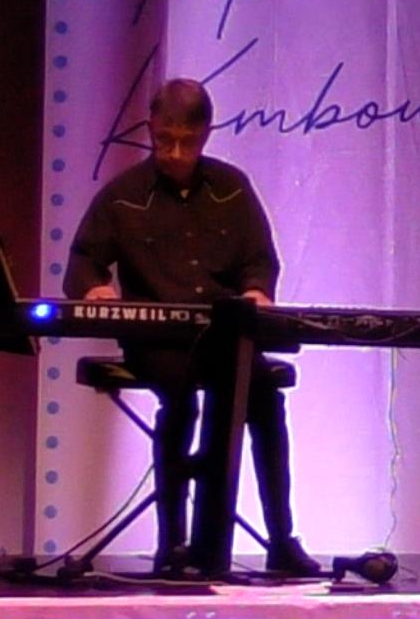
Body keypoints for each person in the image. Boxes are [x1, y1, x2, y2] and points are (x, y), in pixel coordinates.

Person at [63, 76, 313, 579]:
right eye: (164, 141)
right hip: (156, 341)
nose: (175, 153)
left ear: (205, 134)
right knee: (180, 401)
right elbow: (83, 263)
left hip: (223, 339)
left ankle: (281, 540)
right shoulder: (124, 196)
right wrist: (94, 289)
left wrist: (257, 292)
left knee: (263, 395)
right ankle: (173, 543)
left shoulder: (231, 189)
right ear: (152, 130)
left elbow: (260, 261)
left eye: (187, 142)